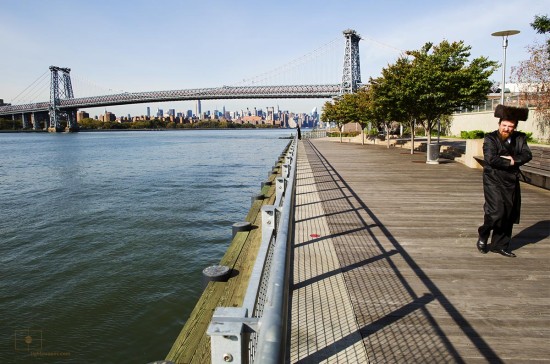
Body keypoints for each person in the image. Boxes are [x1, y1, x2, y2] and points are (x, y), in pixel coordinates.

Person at [477, 104, 532, 258]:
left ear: (515, 127)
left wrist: (513, 160)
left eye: (510, 126)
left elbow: (527, 155)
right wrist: (509, 162)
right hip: (493, 179)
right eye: (504, 125)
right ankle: (484, 233)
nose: (506, 129)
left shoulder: (520, 138)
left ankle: (499, 245)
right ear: (499, 124)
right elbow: (491, 159)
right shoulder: (490, 138)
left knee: (508, 213)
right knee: (496, 212)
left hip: (511, 180)